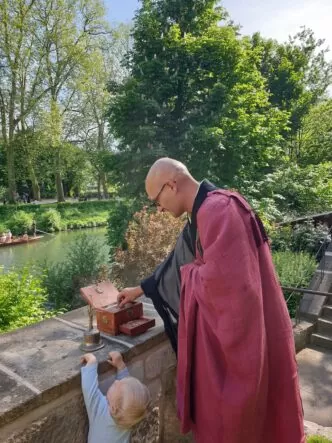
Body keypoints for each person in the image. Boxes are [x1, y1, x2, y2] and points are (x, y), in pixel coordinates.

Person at [117, 158, 305, 443]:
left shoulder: (219, 210)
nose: (159, 208)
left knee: (244, 422)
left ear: (172, 184)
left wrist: (190, 274)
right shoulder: (202, 212)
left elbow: (232, 292)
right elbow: (177, 262)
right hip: (256, 331)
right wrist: (140, 289)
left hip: (248, 341)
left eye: (157, 200)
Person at [80, 351, 151, 443]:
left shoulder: (101, 410)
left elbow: (89, 388)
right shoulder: (127, 419)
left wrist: (92, 362)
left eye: (115, 386)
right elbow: (126, 390)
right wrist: (120, 365)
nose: (116, 381)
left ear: (113, 408)